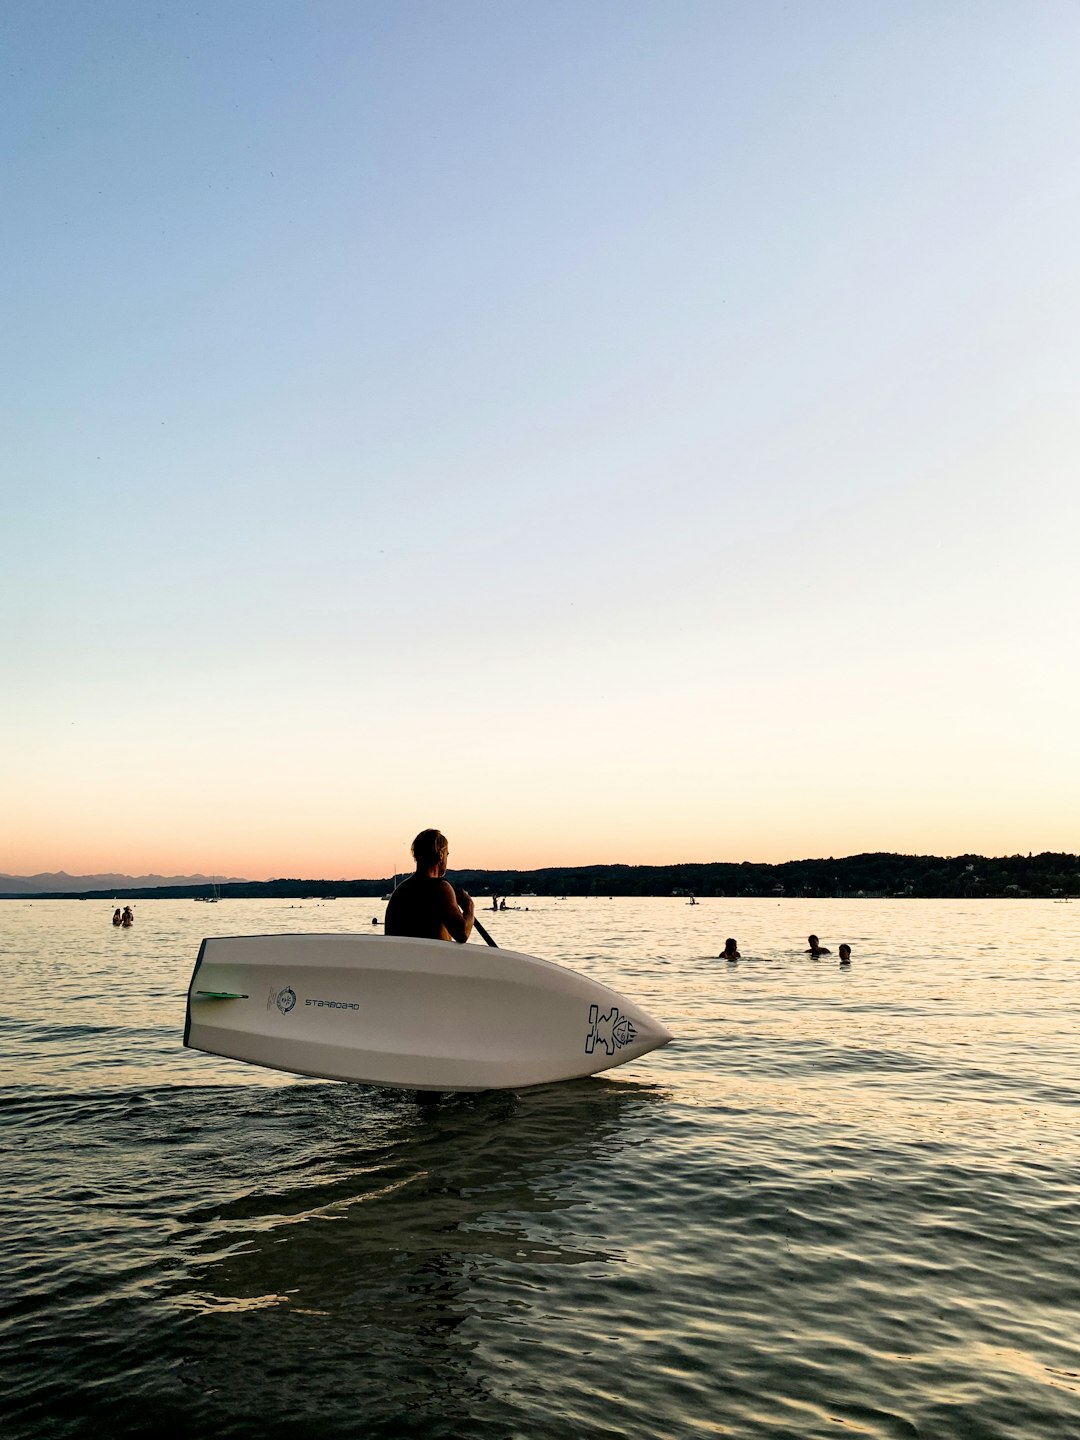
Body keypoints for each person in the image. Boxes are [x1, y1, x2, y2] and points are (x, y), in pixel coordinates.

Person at [384, 829, 474, 943]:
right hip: (431, 959)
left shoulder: (400, 891)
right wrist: (468, 905)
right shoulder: (440, 888)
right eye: (447, 854)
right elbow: (462, 933)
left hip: (403, 958)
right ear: (441, 855)